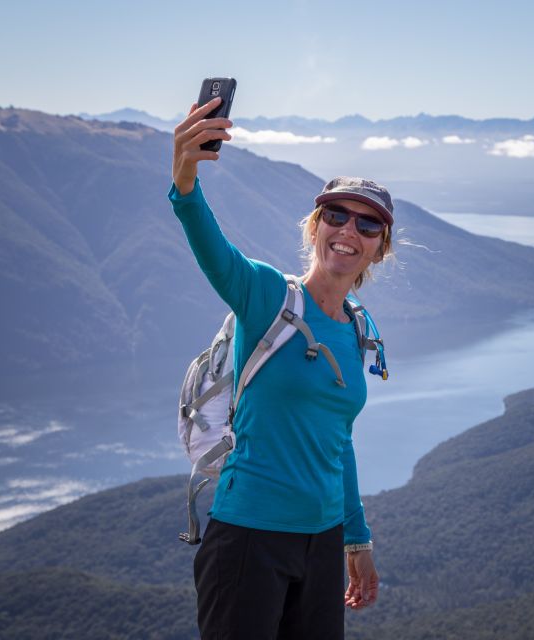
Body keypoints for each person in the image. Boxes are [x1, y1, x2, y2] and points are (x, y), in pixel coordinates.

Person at [169, 96, 389, 639]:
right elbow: (211, 249)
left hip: (322, 543)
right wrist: (186, 178)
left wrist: (355, 542)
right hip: (248, 537)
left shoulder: (356, 328)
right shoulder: (267, 296)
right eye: (336, 215)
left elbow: (338, 442)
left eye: (367, 225)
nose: (349, 230)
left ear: (381, 248)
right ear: (315, 227)